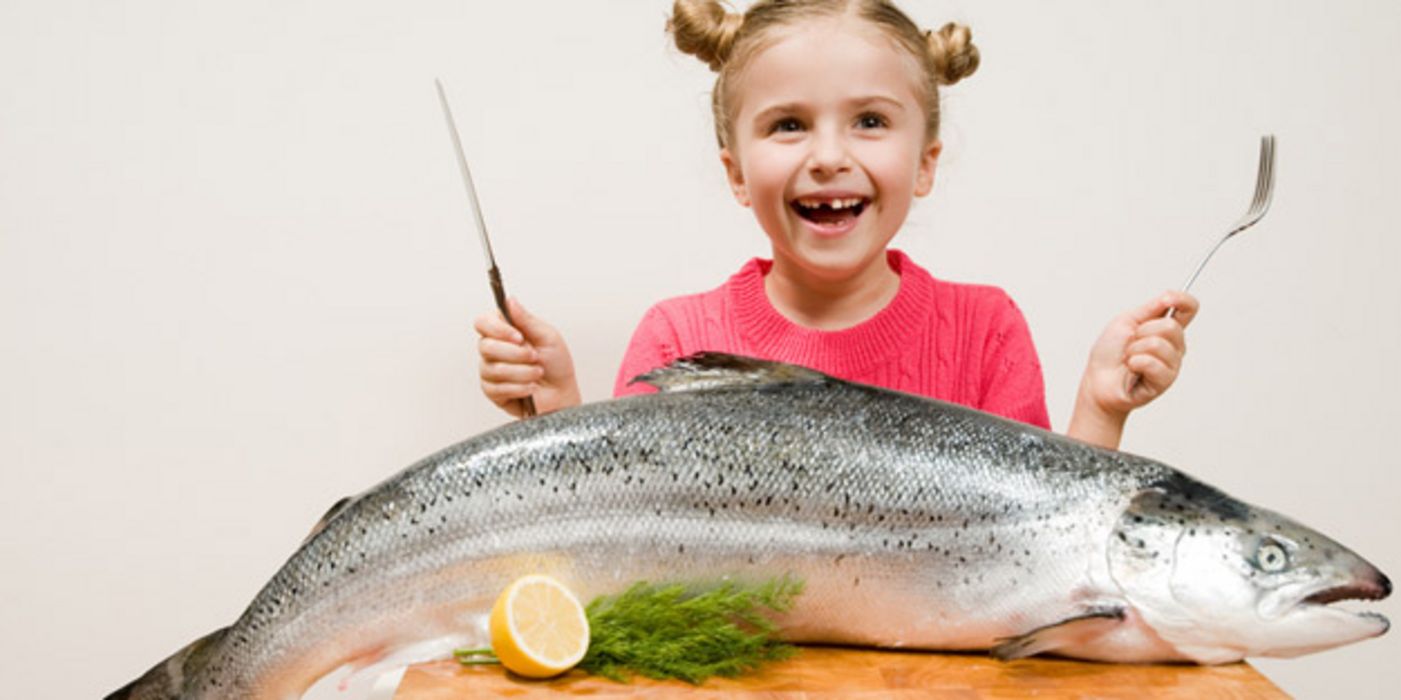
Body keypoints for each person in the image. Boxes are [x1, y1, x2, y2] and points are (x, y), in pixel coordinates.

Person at [473, 0, 1197, 450]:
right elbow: (621, 531)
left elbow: (1032, 546)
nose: (827, 157)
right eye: (787, 124)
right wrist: (555, 419)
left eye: (870, 121)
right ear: (734, 172)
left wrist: (1100, 411)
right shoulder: (678, 338)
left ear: (924, 164)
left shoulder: (983, 329)